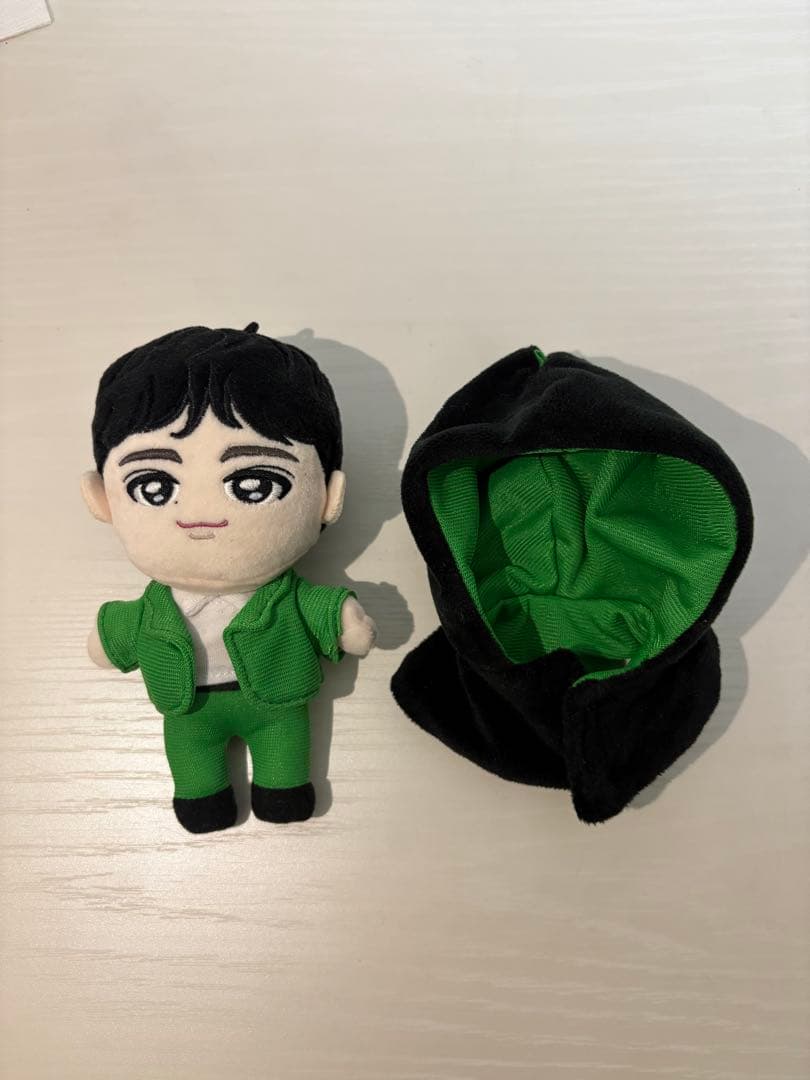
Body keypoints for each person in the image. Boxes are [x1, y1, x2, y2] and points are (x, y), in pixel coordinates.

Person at [81, 322, 376, 833]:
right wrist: (108, 639)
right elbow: (118, 635)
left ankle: (283, 790)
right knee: (194, 772)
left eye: (253, 484)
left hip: (278, 702)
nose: (199, 514)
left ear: (329, 497)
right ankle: (202, 798)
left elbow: (319, 607)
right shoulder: (154, 610)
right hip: (189, 712)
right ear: (101, 499)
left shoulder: (286, 595)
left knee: (285, 763)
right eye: (154, 486)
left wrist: (343, 617)